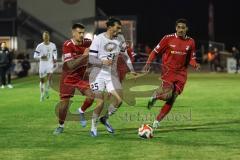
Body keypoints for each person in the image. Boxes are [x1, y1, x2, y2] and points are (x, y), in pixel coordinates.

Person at [143, 18, 200, 129]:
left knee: (173, 98)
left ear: (186, 29)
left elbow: (191, 58)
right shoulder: (167, 38)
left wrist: (195, 64)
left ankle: (157, 121)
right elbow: (155, 51)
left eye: (183, 28)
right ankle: (156, 96)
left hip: (182, 74)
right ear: (175, 28)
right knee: (167, 96)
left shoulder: (191, 42)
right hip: (168, 72)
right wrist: (148, 63)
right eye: (178, 27)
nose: (180, 30)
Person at [88, 17, 136, 136]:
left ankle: (104, 118)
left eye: (120, 28)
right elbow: (90, 58)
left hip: (111, 75)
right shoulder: (98, 39)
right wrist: (102, 62)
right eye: (117, 28)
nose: (119, 30)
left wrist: (132, 69)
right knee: (100, 103)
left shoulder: (120, 38)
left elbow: (125, 55)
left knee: (119, 101)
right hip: (97, 74)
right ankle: (93, 126)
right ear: (109, 27)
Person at [53, 23, 94, 135]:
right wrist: (84, 56)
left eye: (83, 33)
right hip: (68, 78)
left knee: (91, 96)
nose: (81, 35)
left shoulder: (87, 42)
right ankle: (60, 125)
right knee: (64, 105)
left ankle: (80, 111)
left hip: (81, 78)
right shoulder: (68, 45)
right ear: (73, 33)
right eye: (79, 33)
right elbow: (70, 65)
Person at [34, 31, 57, 101]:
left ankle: (46, 90)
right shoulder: (39, 46)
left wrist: (55, 58)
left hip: (49, 64)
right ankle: (42, 94)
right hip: (42, 65)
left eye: (47, 36)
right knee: (42, 81)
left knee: (49, 79)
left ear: (49, 37)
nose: (46, 37)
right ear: (43, 37)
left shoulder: (53, 45)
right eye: (45, 36)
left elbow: (55, 52)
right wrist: (41, 56)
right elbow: (35, 56)